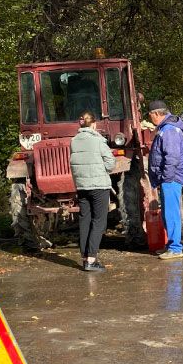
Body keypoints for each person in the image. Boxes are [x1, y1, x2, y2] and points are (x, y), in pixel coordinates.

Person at [69, 111, 115, 272]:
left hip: (82, 186)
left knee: (85, 220)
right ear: (94, 124)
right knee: (99, 221)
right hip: (99, 186)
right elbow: (110, 162)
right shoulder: (98, 140)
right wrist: (104, 170)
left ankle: (84, 257)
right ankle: (91, 259)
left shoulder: (74, 141)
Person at [146, 100, 183, 260]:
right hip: (168, 178)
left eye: (150, 115)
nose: (150, 119)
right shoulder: (166, 129)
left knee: (171, 214)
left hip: (171, 179)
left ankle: (175, 248)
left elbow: (172, 158)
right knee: (167, 214)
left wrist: (166, 179)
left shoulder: (169, 130)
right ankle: (171, 246)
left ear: (156, 113)